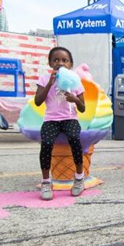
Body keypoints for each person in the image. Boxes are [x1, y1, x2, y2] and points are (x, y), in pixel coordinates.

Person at [34, 46, 86, 201]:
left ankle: (79, 177)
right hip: (51, 120)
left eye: (65, 60)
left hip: (70, 118)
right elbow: (37, 102)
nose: (60, 63)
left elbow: (82, 108)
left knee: (74, 138)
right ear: (50, 63)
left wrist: (75, 99)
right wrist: (50, 83)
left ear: (70, 64)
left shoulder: (75, 81)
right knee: (47, 143)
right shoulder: (44, 79)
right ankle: (46, 182)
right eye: (56, 60)